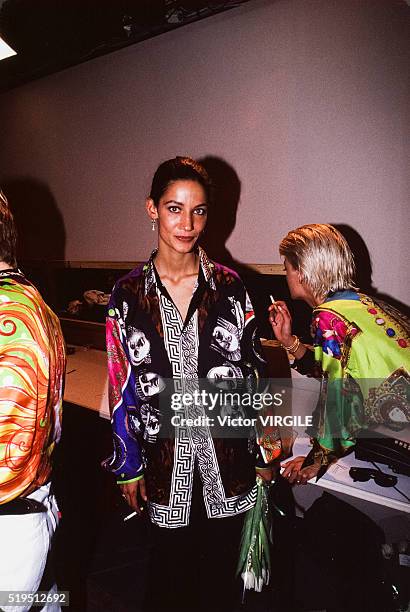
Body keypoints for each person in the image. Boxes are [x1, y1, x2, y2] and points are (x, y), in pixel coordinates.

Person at [104, 156, 280, 611]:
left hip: (228, 462)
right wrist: (129, 465)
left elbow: (251, 378)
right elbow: (121, 385)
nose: (187, 223)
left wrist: (263, 453)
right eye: (174, 208)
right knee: (168, 583)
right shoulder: (127, 296)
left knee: (221, 587)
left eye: (198, 210)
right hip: (165, 466)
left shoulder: (231, 287)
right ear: (152, 209)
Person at [268, 223, 409, 485]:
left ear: (302, 272)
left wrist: (314, 462)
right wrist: (288, 341)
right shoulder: (358, 303)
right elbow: (339, 370)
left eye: (286, 268)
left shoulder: (328, 316)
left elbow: (338, 399)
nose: (285, 275)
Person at [0, 190, 66, 611]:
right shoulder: (31, 302)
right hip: (25, 524)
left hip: (10, 533)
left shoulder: (11, 309)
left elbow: (8, 451)